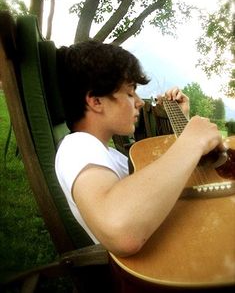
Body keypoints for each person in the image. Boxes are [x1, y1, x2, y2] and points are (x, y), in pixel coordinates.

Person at [55, 40, 224, 258]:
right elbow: (120, 230)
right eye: (130, 92)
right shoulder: (77, 146)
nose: (139, 102)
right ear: (96, 101)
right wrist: (191, 140)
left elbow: (158, 184)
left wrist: (182, 122)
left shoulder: (109, 154)